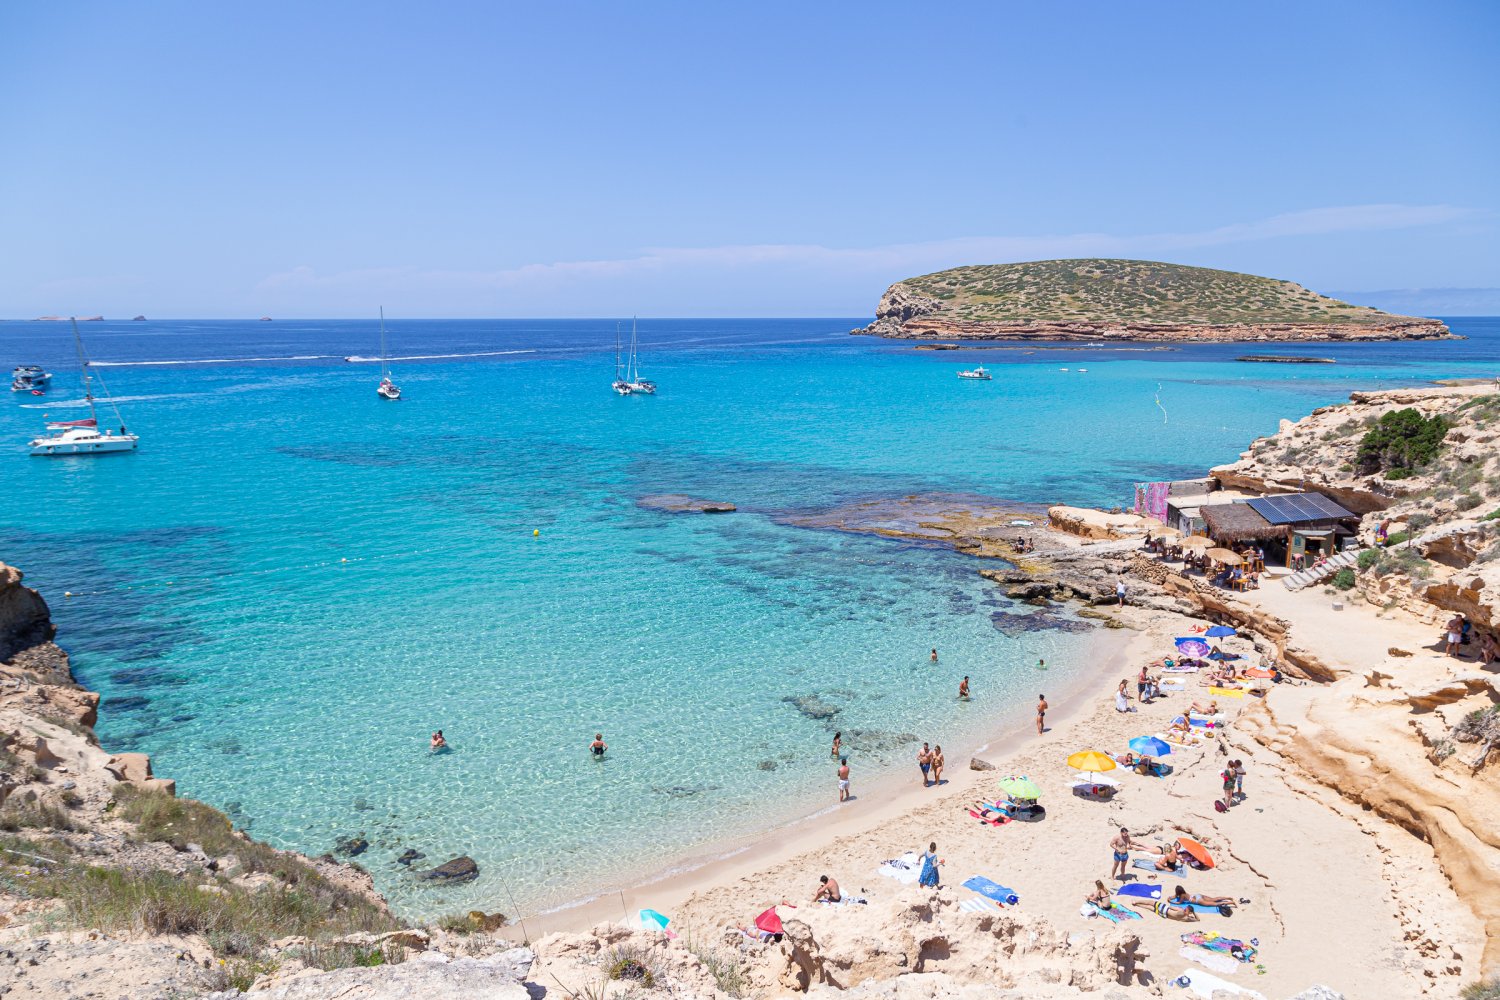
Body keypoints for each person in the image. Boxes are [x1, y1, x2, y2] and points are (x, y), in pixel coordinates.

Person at [1131, 898, 1200, 921]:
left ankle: (1136, 902)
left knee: (1150, 902)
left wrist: (1179, 907)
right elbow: (1198, 919)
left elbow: (1170, 907)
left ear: (1187, 910)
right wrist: (1193, 912)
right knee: (1150, 908)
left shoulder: (1181, 910)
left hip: (1165, 909)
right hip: (1164, 915)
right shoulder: (1186, 918)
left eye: (1186, 908)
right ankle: (1137, 905)